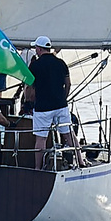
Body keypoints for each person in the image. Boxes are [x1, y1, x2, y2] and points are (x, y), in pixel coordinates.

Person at [26, 38, 73, 169]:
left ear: (39, 49)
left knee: (40, 139)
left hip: (42, 108)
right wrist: (64, 98)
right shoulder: (61, 63)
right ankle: (79, 161)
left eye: (36, 48)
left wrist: (28, 101)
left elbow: (30, 87)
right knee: (68, 134)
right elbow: (68, 84)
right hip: (60, 105)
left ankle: (38, 167)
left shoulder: (35, 65)